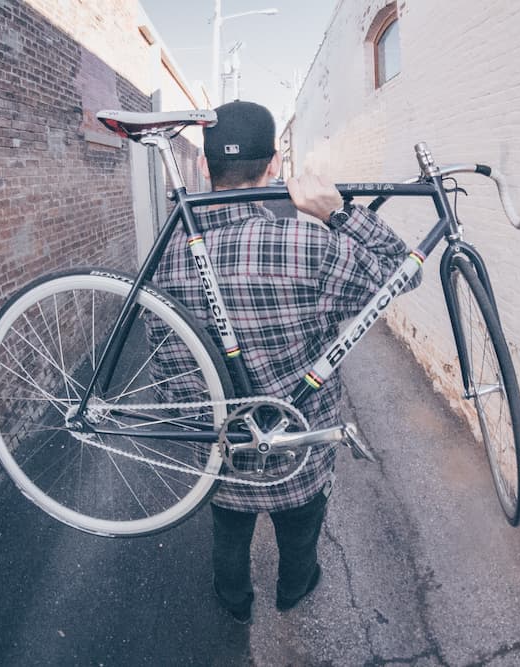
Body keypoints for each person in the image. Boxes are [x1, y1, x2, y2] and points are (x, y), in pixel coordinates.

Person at [152, 101, 418, 623]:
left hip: (224, 455)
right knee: (301, 531)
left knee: (228, 534)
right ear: (274, 165)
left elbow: (166, 362)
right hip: (303, 449)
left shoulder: (169, 254)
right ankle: (294, 589)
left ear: (205, 167)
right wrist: (339, 213)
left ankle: (234, 600)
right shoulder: (307, 244)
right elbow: (403, 271)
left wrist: (193, 420)